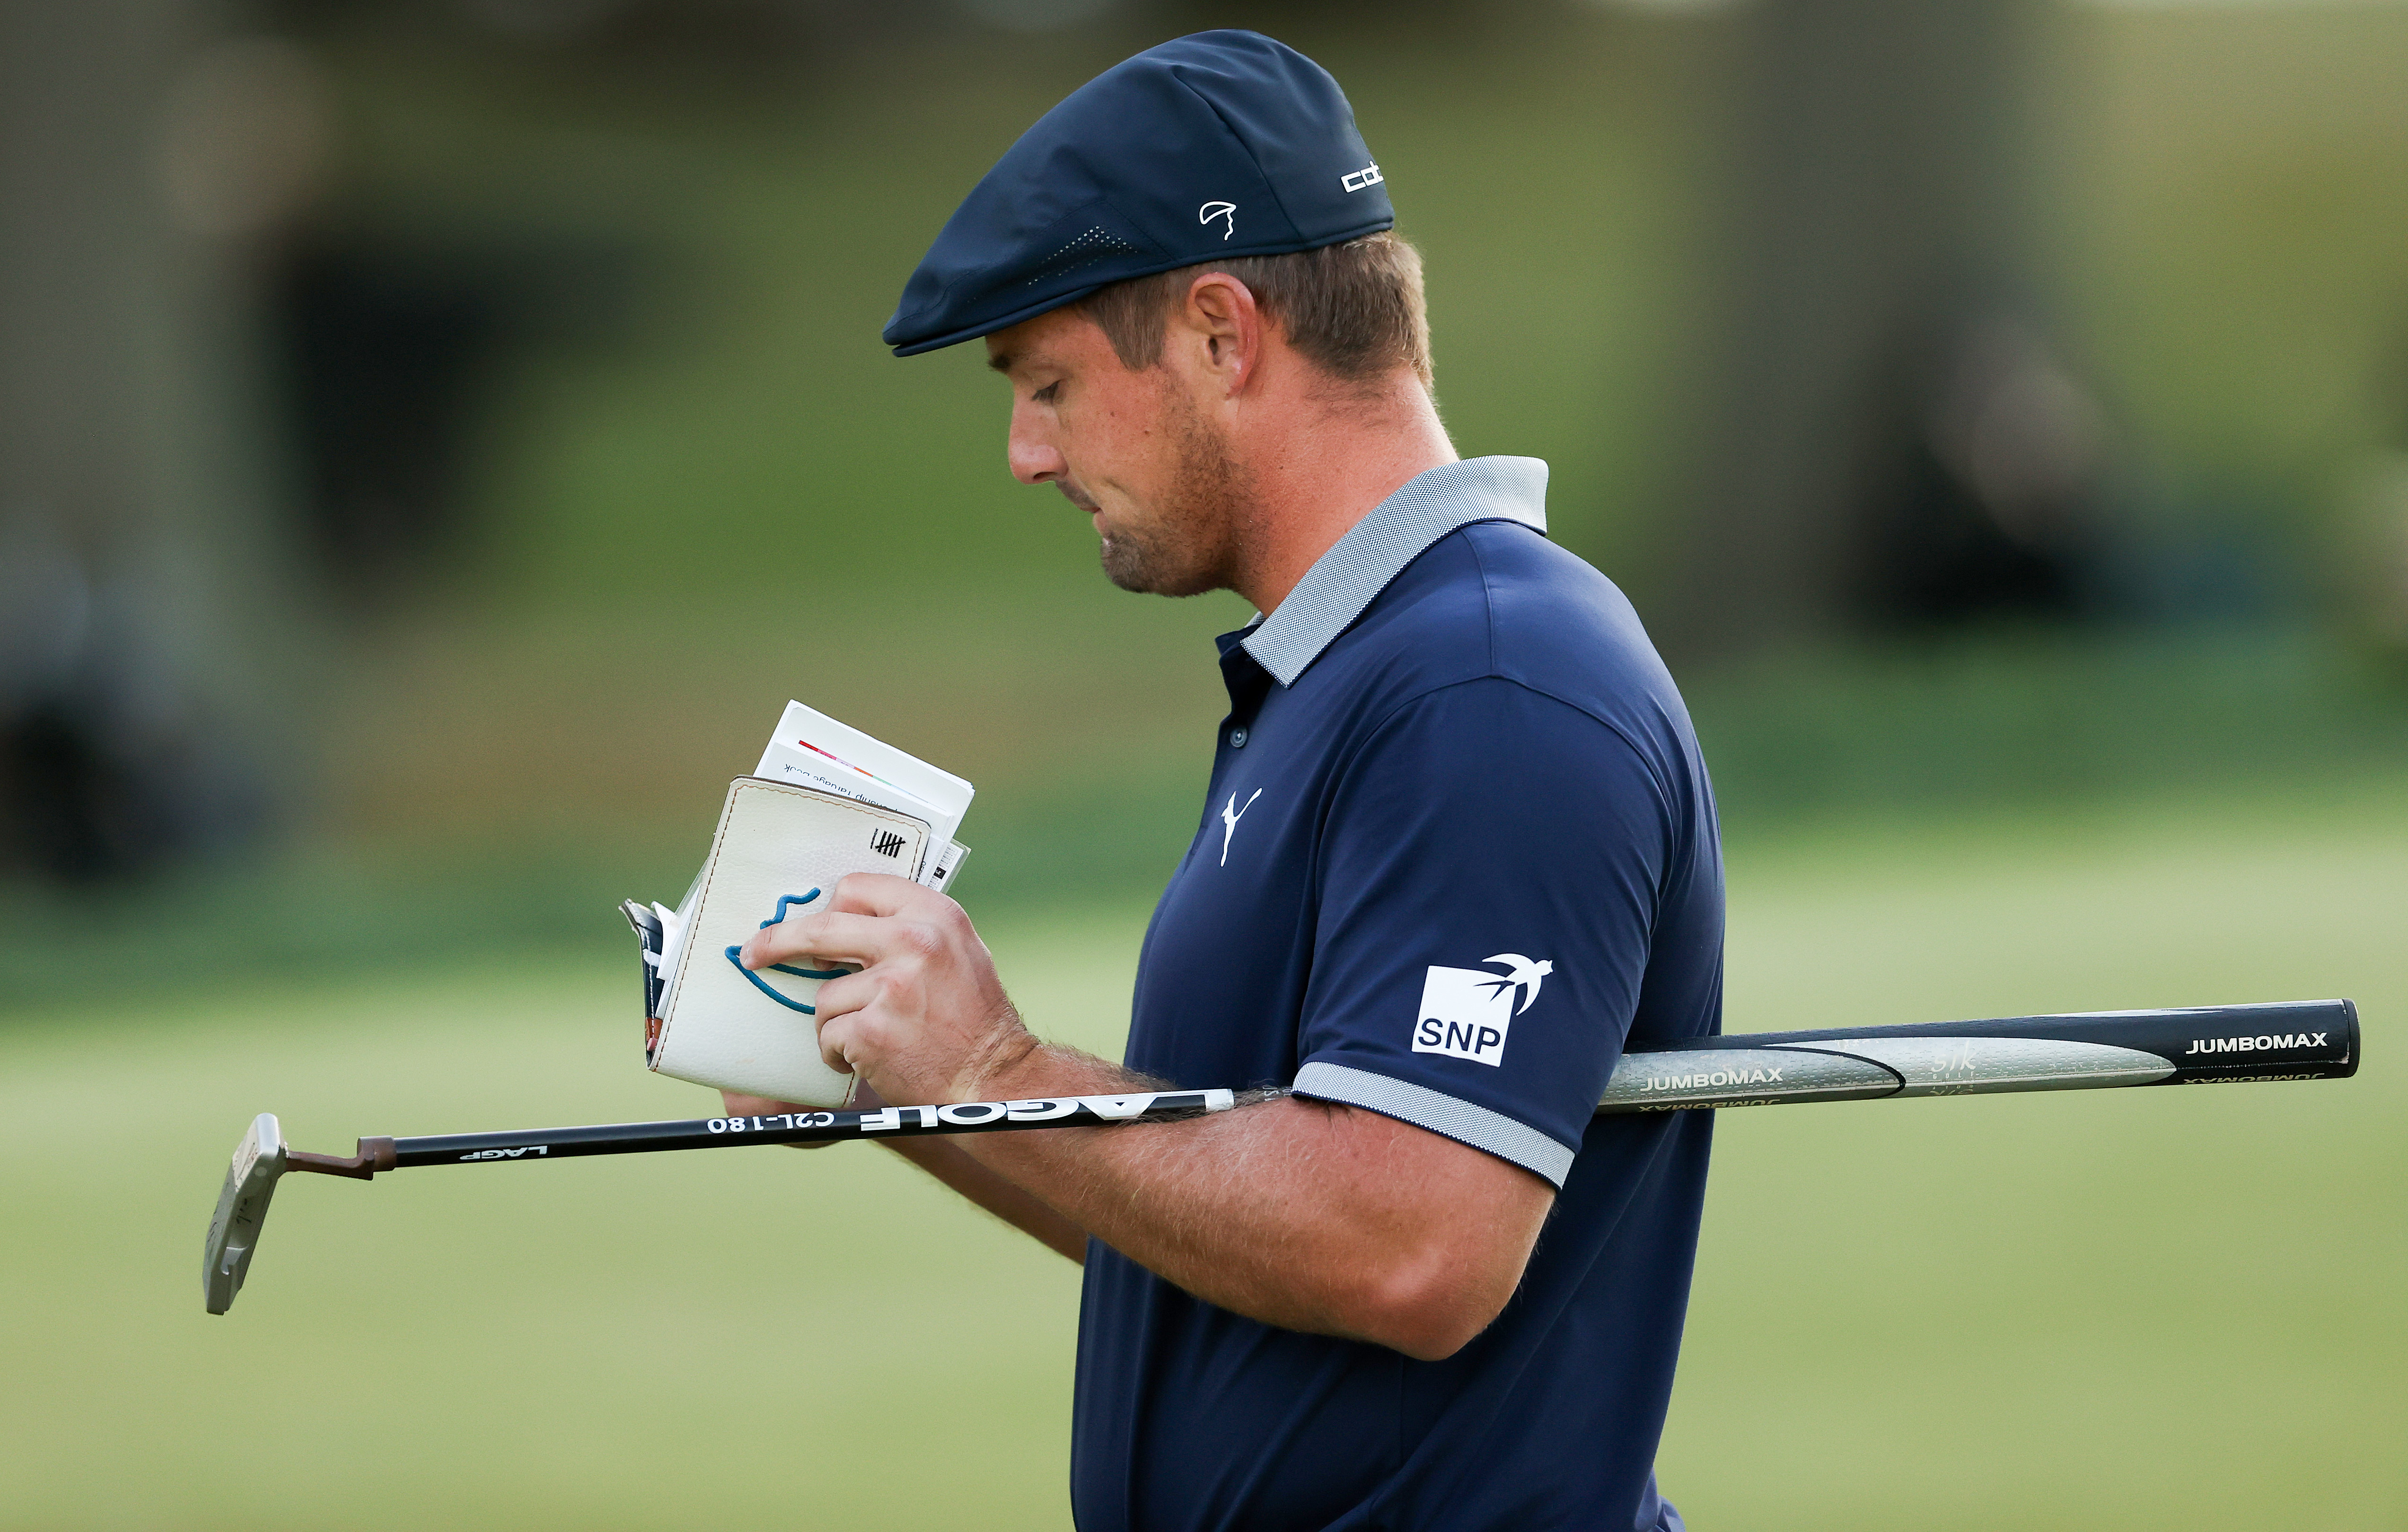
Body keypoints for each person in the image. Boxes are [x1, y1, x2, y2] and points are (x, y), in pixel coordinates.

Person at [723, 31, 1722, 1532]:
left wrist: (1002, 1077)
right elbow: (1231, 1229)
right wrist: (905, 1082)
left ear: (1218, 332)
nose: (1022, 454)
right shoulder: (1354, 675)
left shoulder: (1490, 686)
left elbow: (1407, 1243)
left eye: (1048, 382)